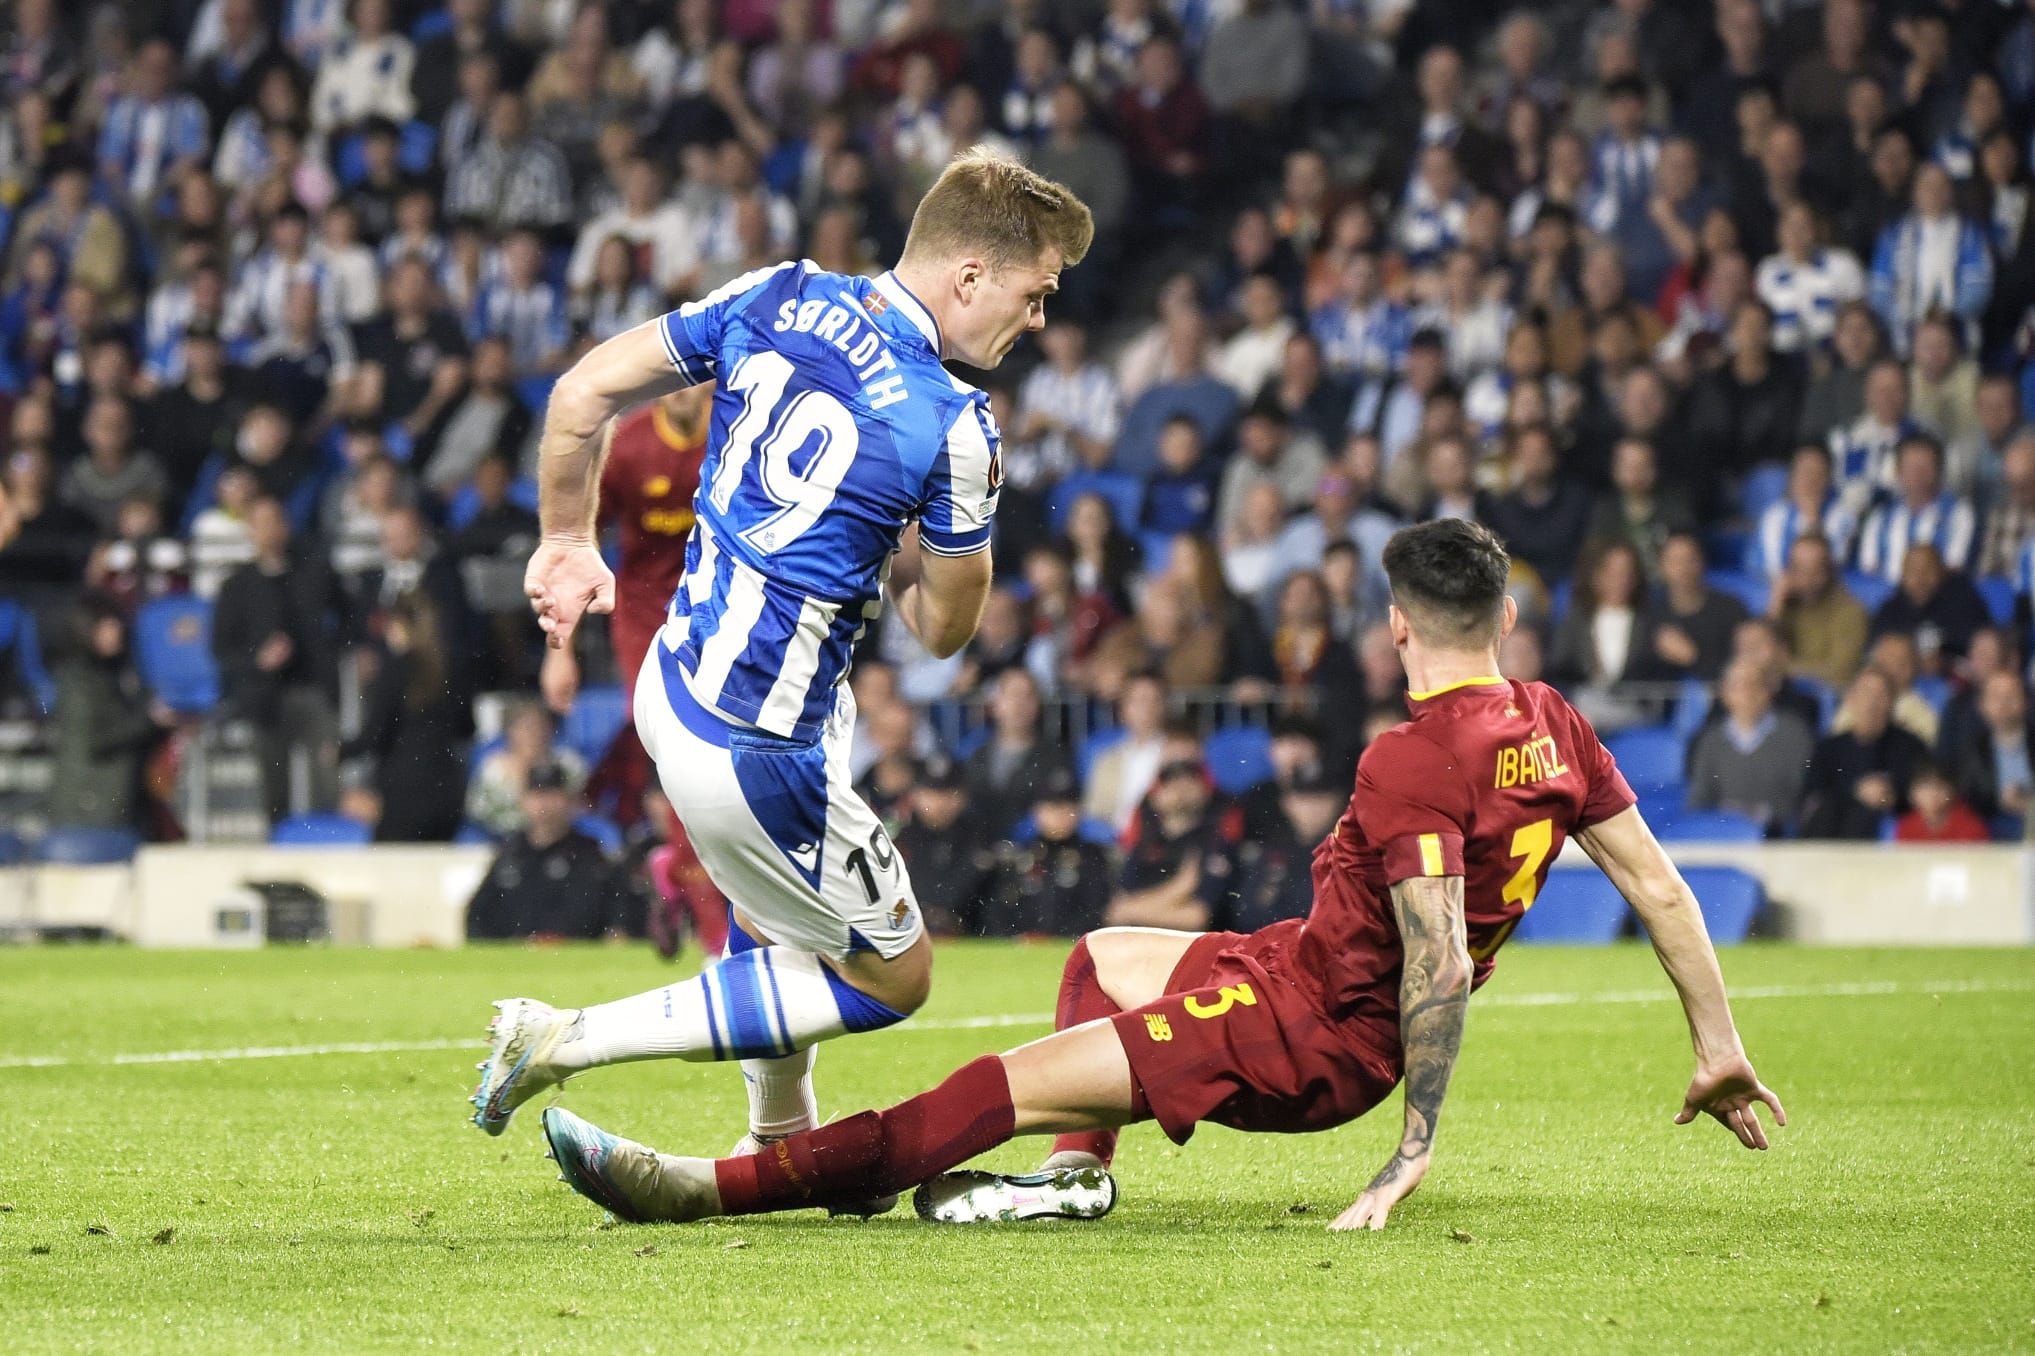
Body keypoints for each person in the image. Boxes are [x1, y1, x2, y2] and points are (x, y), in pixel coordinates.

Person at [534, 519, 1786, 1230]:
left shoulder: (1408, 760)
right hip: (1297, 967)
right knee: (1101, 957)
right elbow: (1665, 892)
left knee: (984, 1089)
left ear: (1395, 628)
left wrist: (1408, 1154)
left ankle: (704, 1190)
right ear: (1505, 621)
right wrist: (1713, 1039)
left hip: (1310, 1035)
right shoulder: (1552, 723)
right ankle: (1077, 1182)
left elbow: (1442, 959)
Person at [472, 151, 1094, 1178]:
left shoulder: (779, 290)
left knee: (771, 912)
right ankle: (565, 1038)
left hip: (674, 679)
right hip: (763, 740)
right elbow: (941, 632)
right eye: (1035, 294)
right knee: (895, 977)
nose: (1035, 322)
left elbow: (583, 392)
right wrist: (908, 551)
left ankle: (778, 1135)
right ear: (971, 276)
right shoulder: (954, 422)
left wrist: (564, 541)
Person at [465, 761, 630, 940]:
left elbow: (614, 918)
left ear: (569, 800)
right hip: (516, 960)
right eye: (537, 795)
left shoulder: (589, 855)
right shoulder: (509, 856)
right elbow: (477, 919)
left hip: (574, 959)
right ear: (523, 801)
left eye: (553, 795)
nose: (545, 804)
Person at [1684, 658, 1816, 834]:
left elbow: (1800, 792)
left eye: (1755, 684)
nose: (1748, 692)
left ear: (1768, 690)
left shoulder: (1794, 733)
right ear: (1725, 693)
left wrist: (1760, 813)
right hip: (1721, 832)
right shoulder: (1711, 739)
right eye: (1738, 685)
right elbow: (1700, 796)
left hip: (1775, 832)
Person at [979, 766, 1112, 938]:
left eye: (1065, 806)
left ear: (1078, 811)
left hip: (1069, 946)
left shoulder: (1093, 857)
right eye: (1051, 806)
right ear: (1036, 812)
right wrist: (1016, 938)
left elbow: (1097, 911)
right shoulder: (1019, 857)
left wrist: (1058, 937)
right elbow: (997, 910)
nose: (1058, 814)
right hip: (1019, 951)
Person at [1800, 667, 1930, 840]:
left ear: (1892, 701)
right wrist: (1855, 791)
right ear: (1851, 699)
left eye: (1881, 695)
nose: (1872, 702)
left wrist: (1890, 798)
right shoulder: (1828, 748)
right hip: (1832, 829)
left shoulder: (1911, 746)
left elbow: (1923, 795)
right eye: (1866, 693)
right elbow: (1812, 793)